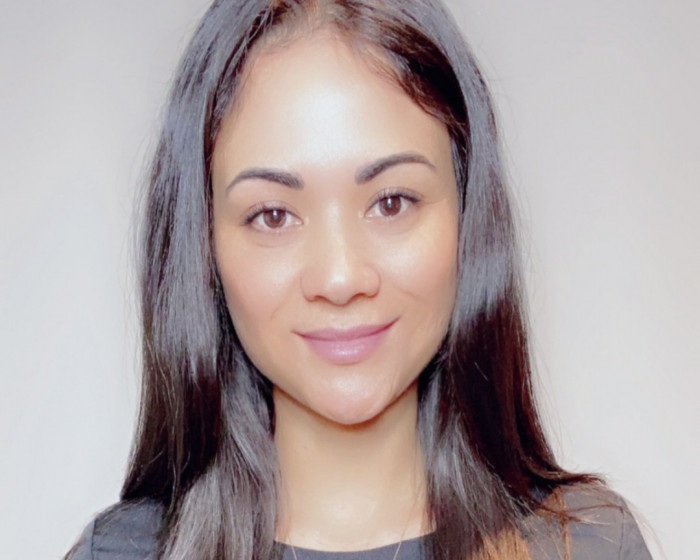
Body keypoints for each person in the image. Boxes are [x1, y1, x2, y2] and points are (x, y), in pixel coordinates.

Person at [65, 1, 652, 559]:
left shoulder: (589, 547)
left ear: (468, 215)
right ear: (204, 244)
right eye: (273, 215)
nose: (341, 277)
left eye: (392, 202)